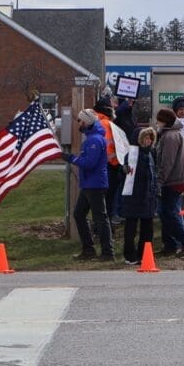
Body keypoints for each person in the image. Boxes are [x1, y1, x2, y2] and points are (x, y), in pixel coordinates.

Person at [65, 109, 114, 261]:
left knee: (100, 217)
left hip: (95, 184)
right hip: (89, 183)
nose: (78, 123)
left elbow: (90, 163)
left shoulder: (95, 140)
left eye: (80, 121)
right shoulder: (92, 138)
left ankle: (107, 252)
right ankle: (88, 249)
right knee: (79, 214)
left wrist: (71, 159)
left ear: (86, 122)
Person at [156, 108, 184, 257]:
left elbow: (167, 161)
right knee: (168, 212)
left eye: (159, 120)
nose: (157, 123)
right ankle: (170, 244)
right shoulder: (175, 134)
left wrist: (159, 180)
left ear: (165, 121)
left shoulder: (170, 137)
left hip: (172, 180)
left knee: (168, 213)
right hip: (177, 179)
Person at [121, 126, 158, 265]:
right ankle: (130, 255)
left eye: (150, 138)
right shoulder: (132, 154)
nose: (148, 141)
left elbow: (153, 174)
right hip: (134, 196)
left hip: (148, 197)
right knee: (131, 227)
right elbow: (124, 173)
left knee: (147, 228)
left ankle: (145, 253)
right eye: (145, 138)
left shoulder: (150, 154)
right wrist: (124, 170)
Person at [93, 97, 127, 225]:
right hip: (109, 166)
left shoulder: (97, 122)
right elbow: (108, 148)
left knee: (101, 201)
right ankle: (104, 229)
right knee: (107, 201)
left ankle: (101, 227)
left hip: (102, 167)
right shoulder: (106, 124)